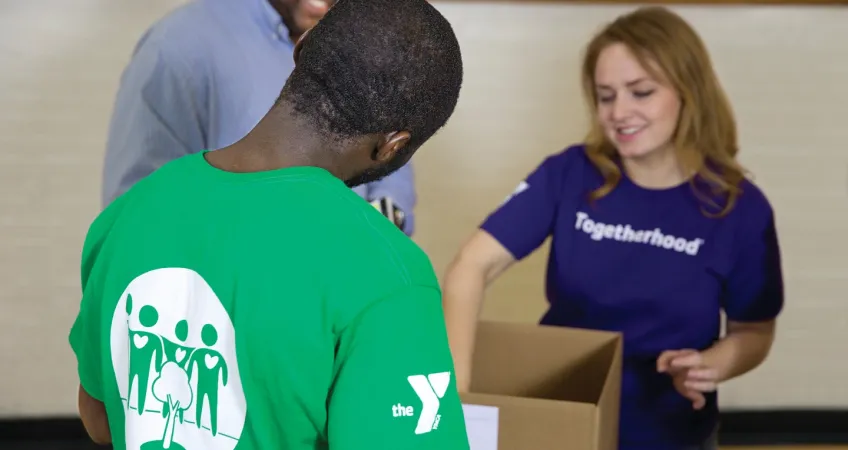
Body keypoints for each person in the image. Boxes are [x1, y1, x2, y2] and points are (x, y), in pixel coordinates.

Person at [69, 0, 468, 448]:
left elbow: (99, 415)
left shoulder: (129, 214)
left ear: (303, 48)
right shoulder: (391, 277)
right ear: (392, 145)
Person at [441, 6, 783, 450]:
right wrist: (456, 403)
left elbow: (753, 332)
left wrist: (713, 364)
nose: (619, 112)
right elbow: (471, 267)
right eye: (606, 96)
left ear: (689, 92)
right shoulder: (569, 175)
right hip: (567, 425)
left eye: (640, 92)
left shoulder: (740, 209)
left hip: (671, 434)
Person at [101, 0, 418, 235]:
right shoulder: (175, 49)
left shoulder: (362, 35)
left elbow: (390, 158)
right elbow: (134, 218)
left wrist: (383, 222)